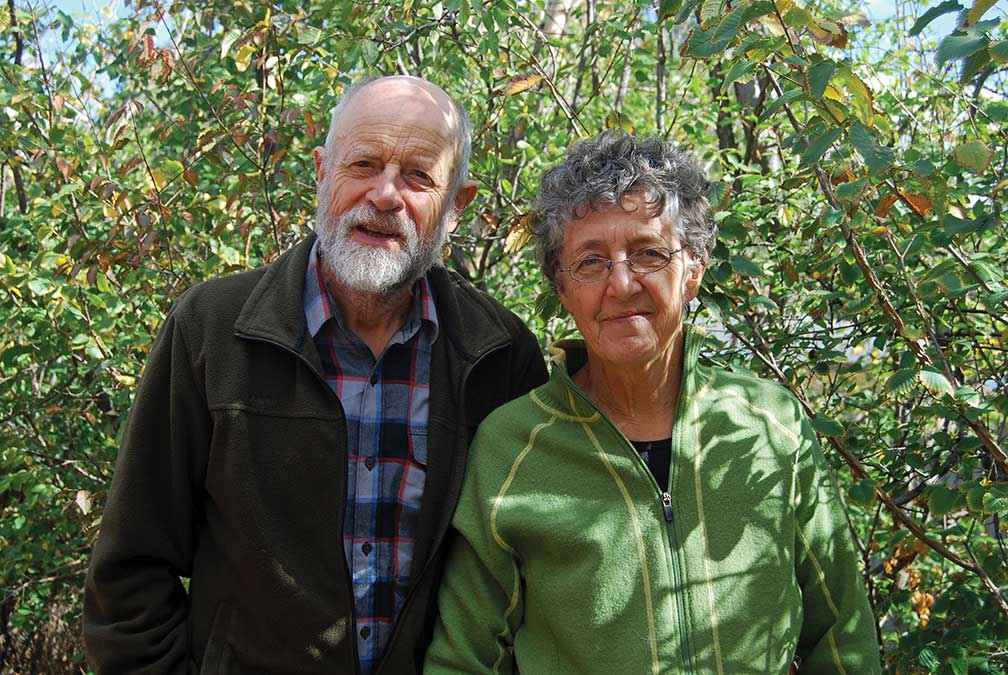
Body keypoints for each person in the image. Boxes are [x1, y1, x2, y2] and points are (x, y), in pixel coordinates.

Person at [83, 75, 547, 674]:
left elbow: (524, 580)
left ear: (457, 207)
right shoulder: (211, 330)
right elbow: (129, 573)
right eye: (363, 164)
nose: (385, 195)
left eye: (418, 176)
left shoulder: (499, 356)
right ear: (321, 173)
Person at [424, 131, 881, 674]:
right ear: (562, 288)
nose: (621, 284)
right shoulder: (512, 448)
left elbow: (842, 634)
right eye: (590, 262)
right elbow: (464, 659)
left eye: (648, 254)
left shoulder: (768, 426)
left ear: (694, 269)